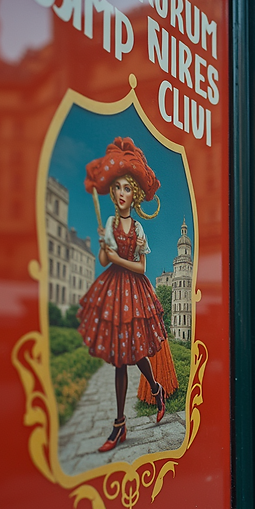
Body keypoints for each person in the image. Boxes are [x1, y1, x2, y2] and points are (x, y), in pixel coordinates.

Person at [76, 137, 178, 453]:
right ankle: (119, 424)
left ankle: (157, 389)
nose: (121, 194)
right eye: (117, 188)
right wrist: (104, 248)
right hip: (113, 290)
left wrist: (117, 258)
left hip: (133, 291)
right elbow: (104, 261)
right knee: (120, 360)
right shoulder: (109, 222)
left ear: (134, 196)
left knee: (134, 354)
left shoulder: (137, 228)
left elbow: (141, 267)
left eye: (126, 189)